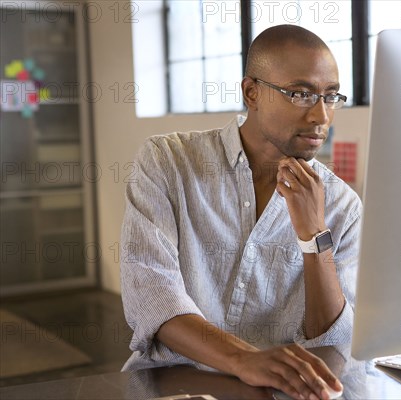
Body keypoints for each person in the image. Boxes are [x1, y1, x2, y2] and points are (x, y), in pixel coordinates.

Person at [120, 24, 362, 400]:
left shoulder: (342, 205)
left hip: (280, 390)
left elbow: (331, 341)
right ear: (252, 92)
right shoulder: (168, 163)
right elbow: (153, 298)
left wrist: (315, 235)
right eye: (300, 94)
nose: (321, 116)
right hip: (174, 383)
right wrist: (245, 359)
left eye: (331, 97)